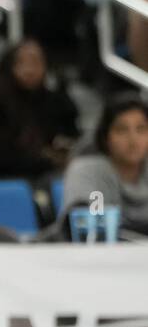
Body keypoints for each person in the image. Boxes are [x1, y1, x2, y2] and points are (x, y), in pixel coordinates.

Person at [0, 38, 78, 178]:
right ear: (10, 66)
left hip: (50, 177)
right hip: (1, 180)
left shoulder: (57, 103)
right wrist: (43, 158)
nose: (30, 69)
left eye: (35, 62)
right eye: (22, 62)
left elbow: (70, 140)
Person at [61, 95, 148, 236]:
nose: (133, 140)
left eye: (141, 129)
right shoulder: (86, 171)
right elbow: (88, 227)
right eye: (122, 130)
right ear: (105, 137)